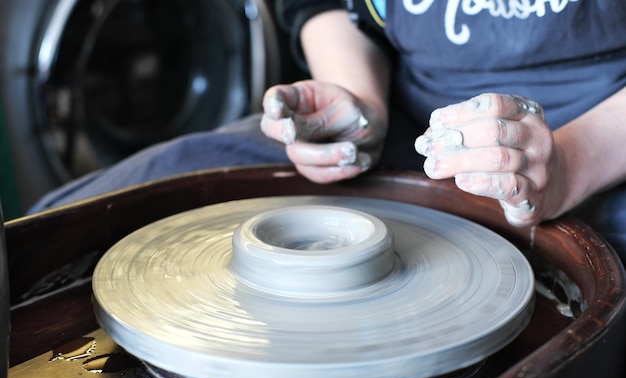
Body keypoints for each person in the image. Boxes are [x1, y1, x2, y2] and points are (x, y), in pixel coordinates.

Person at [29, 0, 626, 259]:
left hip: (601, 136)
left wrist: (571, 165)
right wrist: (359, 102)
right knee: (82, 224)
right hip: (405, 117)